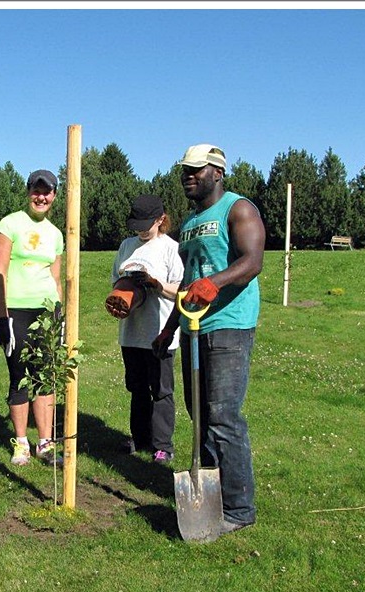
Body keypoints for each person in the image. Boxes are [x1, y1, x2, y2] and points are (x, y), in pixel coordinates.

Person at [152, 144, 265, 537]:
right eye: (185, 170)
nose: (188, 176)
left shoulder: (239, 209)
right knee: (199, 414)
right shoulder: (190, 222)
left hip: (229, 325)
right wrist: (170, 327)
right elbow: (188, 281)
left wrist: (213, 283)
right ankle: (210, 494)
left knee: (222, 416)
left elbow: (252, 261)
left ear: (217, 172)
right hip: (194, 327)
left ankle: (239, 509)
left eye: (196, 169)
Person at [0, 169, 64, 467]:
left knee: (46, 376)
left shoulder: (56, 234)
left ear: (54, 196)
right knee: (20, 375)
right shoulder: (10, 224)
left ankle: (45, 443)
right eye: (37, 190)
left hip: (47, 312)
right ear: (28, 191)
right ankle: (21, 442)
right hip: (17, 310)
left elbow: (56, 278)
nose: (41, 197)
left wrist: (61, 317)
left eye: (47, 192)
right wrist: (2, 318)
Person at [106, 195, 184, 463]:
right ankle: (140, 439)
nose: (140, 231)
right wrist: (125, 290)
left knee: (161, 390)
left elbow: (181, 290)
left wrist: (156, 284)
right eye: (136, 225)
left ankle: (162, 446)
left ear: (160, 219)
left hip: (160, 331)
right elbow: (115, 280)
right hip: (131, 332)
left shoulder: (170, 248)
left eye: (145, 225)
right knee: (137, 387)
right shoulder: (127, 246)